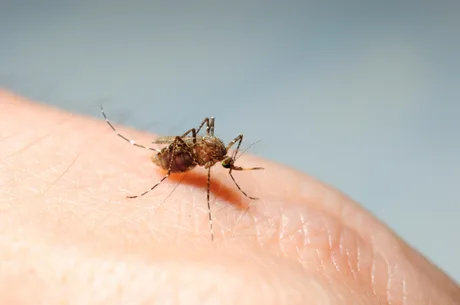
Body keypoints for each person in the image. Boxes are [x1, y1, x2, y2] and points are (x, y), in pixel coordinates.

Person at [0, 90, 458, 304]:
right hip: (178, 153)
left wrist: (229, 172)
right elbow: (204, 149)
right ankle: (153, 162)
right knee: (195, 147)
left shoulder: (221, 155)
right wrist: (173, 163)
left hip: (192, 153)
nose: (229, 169)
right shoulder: (206, 155)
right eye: (229, 169)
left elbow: (220, 154)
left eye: (230, 168)